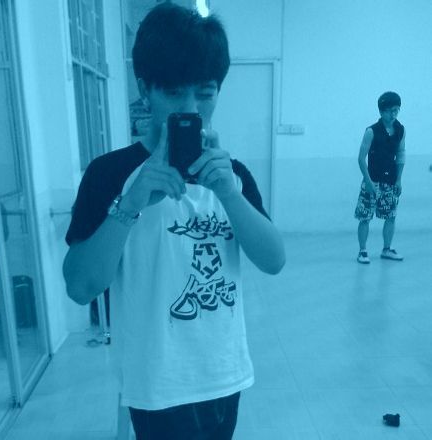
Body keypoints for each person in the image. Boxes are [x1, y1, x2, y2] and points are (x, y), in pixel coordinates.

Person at [63, 3, 285, 439]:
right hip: (157, 385)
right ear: (144, 89)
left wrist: (229, 194)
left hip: (225, 375)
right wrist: (130, 203)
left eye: (205, 93)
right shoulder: (110, 174)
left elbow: (274, 260)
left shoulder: (232, 175)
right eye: (173, 92)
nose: (190, 108)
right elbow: (80, 286)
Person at [355, 91, 406, 264]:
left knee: (391, 216)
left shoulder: (400, 130)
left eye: (396, 110)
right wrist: (368, 181)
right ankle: (363, 251)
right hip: (372, 180)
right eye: (390, 111)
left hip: (390, 181)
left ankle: (387, 249)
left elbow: (401, 154)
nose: (394, 114)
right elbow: (361, 159)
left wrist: (398, 179)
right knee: (365, 217)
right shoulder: (371, 131)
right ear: (381, 111)